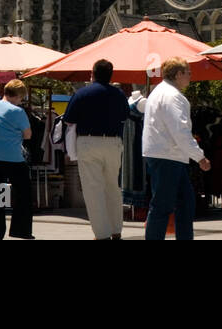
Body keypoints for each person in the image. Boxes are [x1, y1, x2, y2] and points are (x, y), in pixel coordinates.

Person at [142, 57, 211, 240]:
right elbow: (180, 131)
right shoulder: (173, 96)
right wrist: (199, 157)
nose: (190, 76)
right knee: (164, 205)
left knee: (184, 202)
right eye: (188, 72)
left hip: (167, 154)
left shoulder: (159, 92)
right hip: (168, 155)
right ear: (179, 74)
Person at [63, 58, 130, 240]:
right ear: (111, 75)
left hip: (89, 142)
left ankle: (102, 233)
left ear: (92, 74)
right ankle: (116, 229)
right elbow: (125, 115)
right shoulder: (119, 94)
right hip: (113, 143)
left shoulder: (82, 94)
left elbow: (69, 120)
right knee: (112, 188)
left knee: (94, 190)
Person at [0, 79, 35, 240]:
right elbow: (28, 134)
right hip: (9, 156)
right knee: (24, 192)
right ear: (18, 96)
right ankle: (21, 229)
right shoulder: (17, 111)